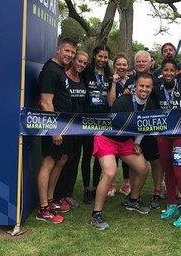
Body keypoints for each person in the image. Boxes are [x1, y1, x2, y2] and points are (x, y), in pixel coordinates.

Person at [91, 72, 156, 230]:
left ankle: (133, 200)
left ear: (152, 88)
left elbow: (144, 126)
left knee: (143, 169)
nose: (144, 89)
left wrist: (137, 142)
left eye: (148, 87)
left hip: (125, 141)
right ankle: (96, 214)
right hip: (107, 139)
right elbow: (112, 125)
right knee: (110, 172)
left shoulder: (151, 104)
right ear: (135, 87)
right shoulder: (122, 102)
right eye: (141, 86)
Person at [35, 38, 77, 223]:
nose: (69, 55)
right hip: (54, 126)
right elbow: (46, 102)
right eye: (66, 51)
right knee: (49, 162)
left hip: (63, 124)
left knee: (61, 159)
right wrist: (54, 130)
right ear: (58, 49)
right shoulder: (50, 70)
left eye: (72, 52)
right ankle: (43, 209)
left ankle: (51, 200)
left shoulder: (61, 70)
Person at [157, 59, 181, 227]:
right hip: (163, 135)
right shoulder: (156, 89)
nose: (168, 73)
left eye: (171, 70)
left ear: (176, 72)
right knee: (168, 171)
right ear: (162, 71)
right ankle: (173, 204)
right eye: (166, 70)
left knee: (179, 172)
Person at [124, 50, 164, 208]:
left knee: (156, 161)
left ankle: (157, 192)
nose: (141, 64)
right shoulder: (129, 80)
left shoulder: (156, 81)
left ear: (150, 63)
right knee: (135, 162)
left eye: (144, 61)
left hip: (152, 129)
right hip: (133, 131)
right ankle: (135, 194)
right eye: (138, 61)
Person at [55, 50, 89, 208]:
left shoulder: (82, 80)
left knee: (75, 160)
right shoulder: (64, 77)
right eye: (79, 61)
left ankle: (68, 193)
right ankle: (58, 195)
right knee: (63, 160)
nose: (81, 64)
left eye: (84, 62)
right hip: (65, 127)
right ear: (73, 60)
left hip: (79, 129)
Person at [81, 45, 112, 203]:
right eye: (100, 56)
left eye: (105, 57)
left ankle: (95, 186)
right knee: (87, 154)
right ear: (95, 56)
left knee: (100, 154)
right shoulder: (86, 71)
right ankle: (87, 188)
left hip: (103, 120)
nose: (102, 60)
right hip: (87, 119)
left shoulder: (108, 74)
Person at [107, 53, 133, 196]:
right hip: (114, 123)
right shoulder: (111, 80)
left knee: (127, 152)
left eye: (124, 64)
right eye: (119, 64)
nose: (121, 67)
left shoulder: (133, 81)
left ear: (127, 66)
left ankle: (126, 183)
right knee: (113, 153)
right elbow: (111, 102)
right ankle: (111, 184)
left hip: (128, 122)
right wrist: (114, 84)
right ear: (114, 66)